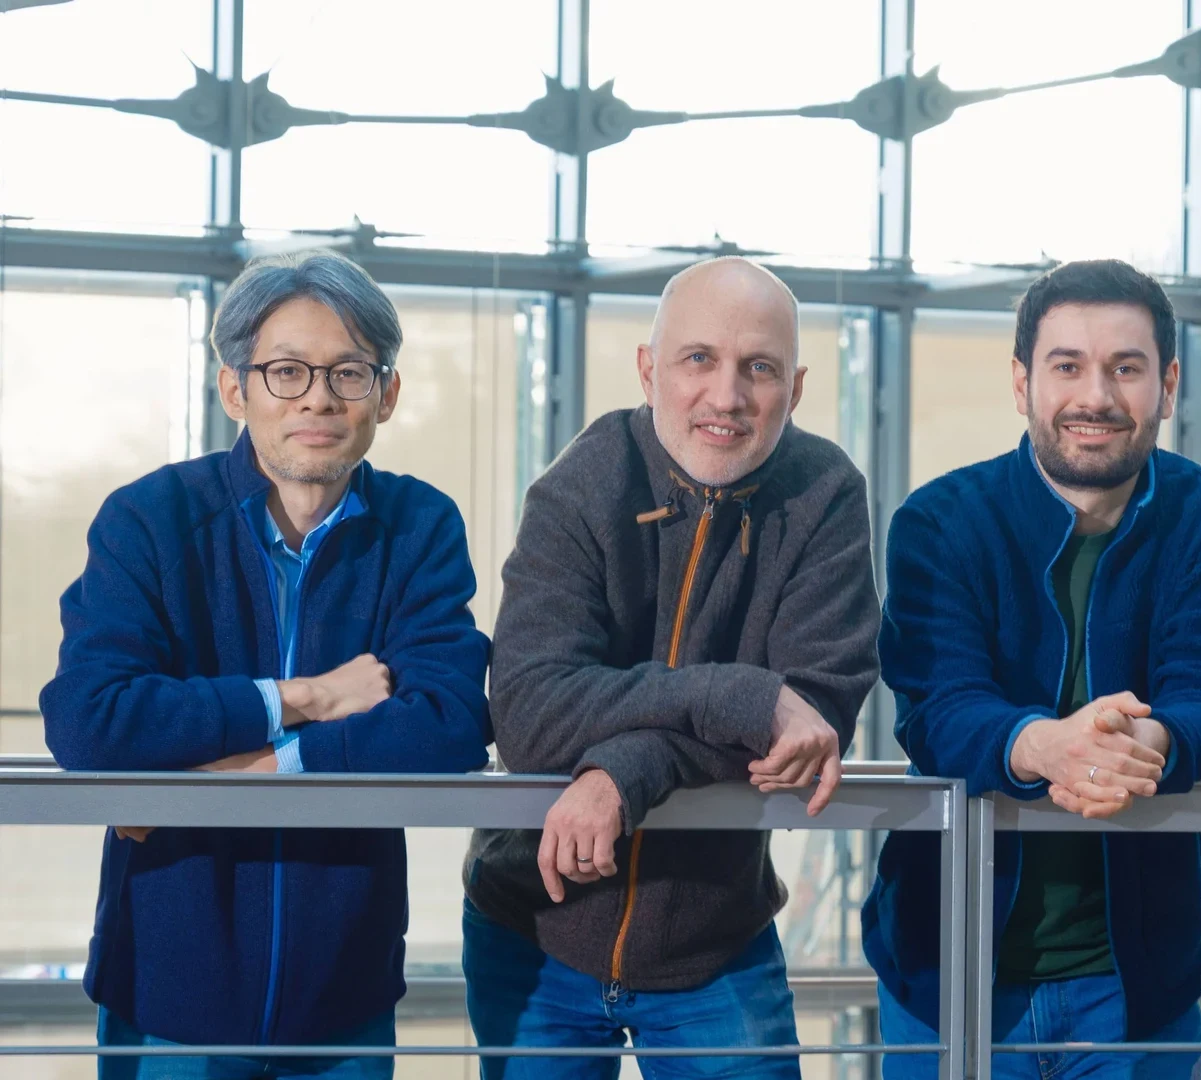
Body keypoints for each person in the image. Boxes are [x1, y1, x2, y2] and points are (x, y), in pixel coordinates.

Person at [39, 250, 493, 1079]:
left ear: (385, 395)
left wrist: (240, 768)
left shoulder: (420, 526)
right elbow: (88, 720)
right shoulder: (150, 519)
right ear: (233, 388)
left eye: (349, 372)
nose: (318, 396)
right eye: (286, 371)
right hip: (167, 989)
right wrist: (307, 698)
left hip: (343, 997)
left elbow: (452, 723)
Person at [461, 256, 880, 1079]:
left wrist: (622, 769)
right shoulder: (581, 485)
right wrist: (745, 695)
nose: (725, 396)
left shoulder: (824, 492)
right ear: (650, 370)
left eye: (757, 369)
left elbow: (813, 719)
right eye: (698, 359)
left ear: (792, 390)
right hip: (534, 927)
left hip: (714, 937)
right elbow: (529, 713)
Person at [864, 259, 1201, 1079]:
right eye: (1067, 366)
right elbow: (937, 711)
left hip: (1135, 987)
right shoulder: (940, 521)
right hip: (946, 973)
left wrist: (1142, 741)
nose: (1097, 396)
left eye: (1126, 367)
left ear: (1168, 383)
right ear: (1021, 382)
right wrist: (1046, 746)